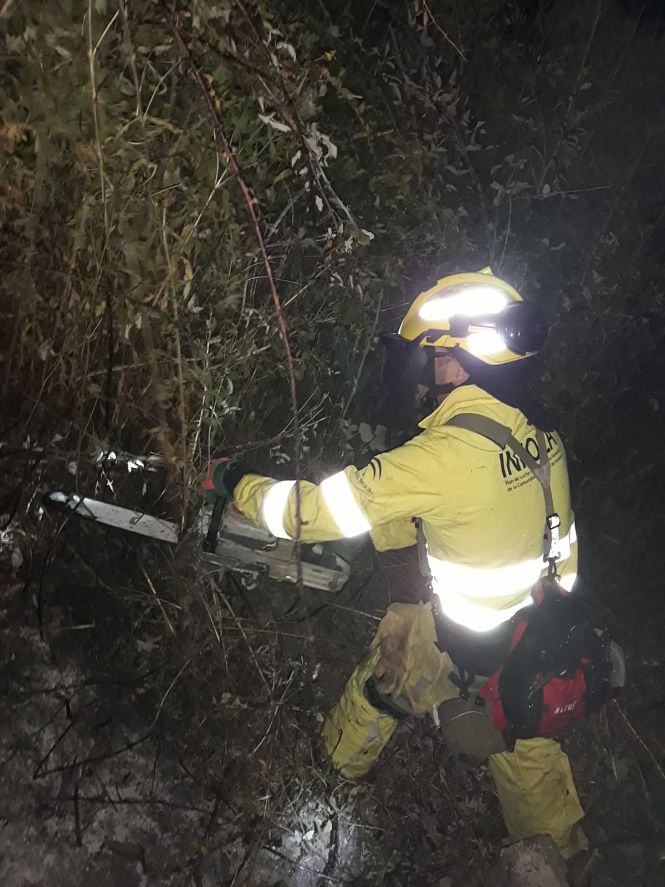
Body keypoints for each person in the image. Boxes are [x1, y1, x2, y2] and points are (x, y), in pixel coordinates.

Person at [212, 268, 588, 859]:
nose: (427, 372)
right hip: (542, 649)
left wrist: (237, 481)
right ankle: (564, 861)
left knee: (387, 671)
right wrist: (384, 525)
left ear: (459, 363)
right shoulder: (541, 436)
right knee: (535, 781)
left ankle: (326, 780)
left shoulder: (443, 456)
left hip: (468, 650)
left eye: (433, 357)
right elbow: (481, 516)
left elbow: (307, 513)